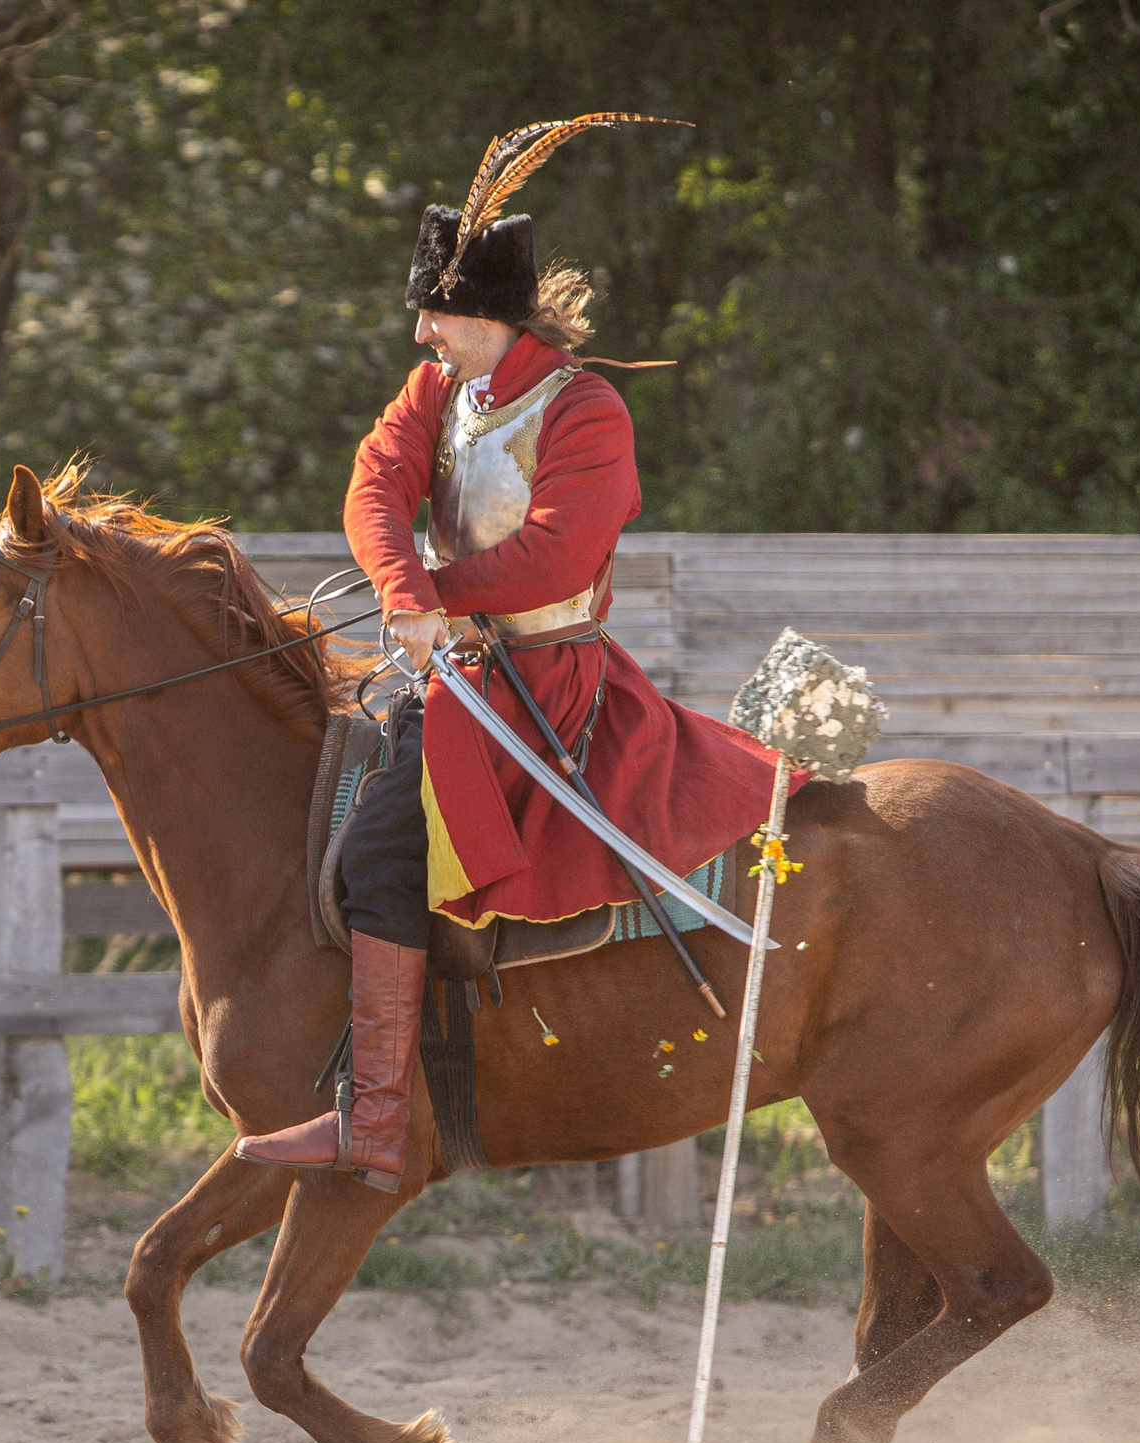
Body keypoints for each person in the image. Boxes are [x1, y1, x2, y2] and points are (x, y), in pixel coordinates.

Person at [233, 120, 792, 1191]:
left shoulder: (586, 411)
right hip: (458, 673)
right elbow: (374, 481)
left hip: (547, 682)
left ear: (483, 316)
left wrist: (432, 595)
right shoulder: (441, 394)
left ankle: (377, 1119)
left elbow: (555, 558)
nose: (421, 336)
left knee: (376, 858)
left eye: (433, 316)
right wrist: (405, 592)